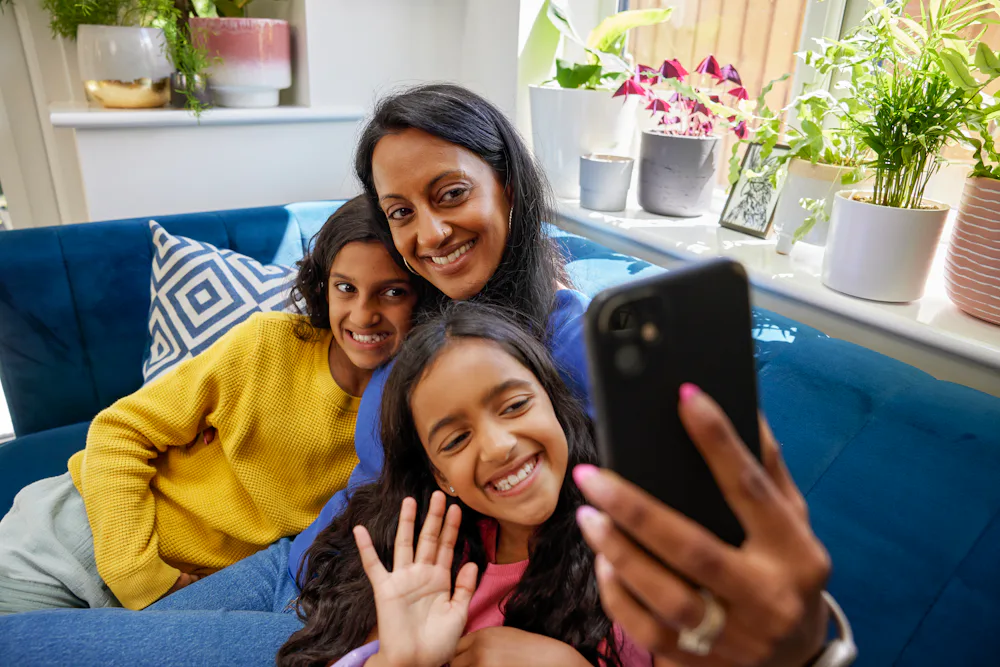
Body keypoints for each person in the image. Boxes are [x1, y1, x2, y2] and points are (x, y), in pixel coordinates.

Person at [0, 85, 841, 667]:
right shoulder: (422, 317)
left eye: (449, 194)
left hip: (376, 610)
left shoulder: (568, 341)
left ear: (505, 184)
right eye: (401, 211)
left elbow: (705, 544)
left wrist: (806, 638)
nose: (428, 232)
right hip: (293, 560)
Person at [0, 196, 418, 614]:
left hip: (177, 594)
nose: (363, 315)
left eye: (392, 292)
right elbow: (118, 431)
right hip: (72, 541)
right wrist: (144, 580)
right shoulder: (270, 343)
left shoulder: (414, 409)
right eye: (346, 287)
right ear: (324, 286)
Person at [278, 302, 651, 667]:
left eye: (515, 405)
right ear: (442, 477)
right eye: (456, 440)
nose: (498, 447)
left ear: (552, 404)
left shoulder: (632, 556)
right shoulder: (422, 572)